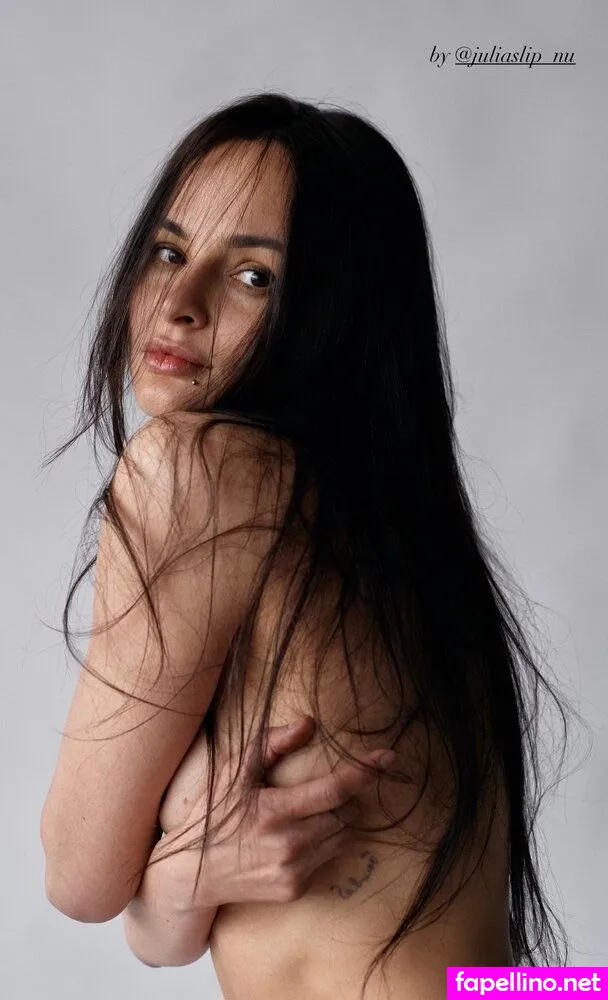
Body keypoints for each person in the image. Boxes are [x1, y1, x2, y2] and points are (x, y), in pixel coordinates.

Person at [40, 93, 574, 1000]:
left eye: (254, 276)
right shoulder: (406, 536)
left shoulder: (197, 467)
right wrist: (178, 883)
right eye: (168, 253)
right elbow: (164, 935)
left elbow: (79, 877)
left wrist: (161, 878)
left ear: (336, 311)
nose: (179, 303)